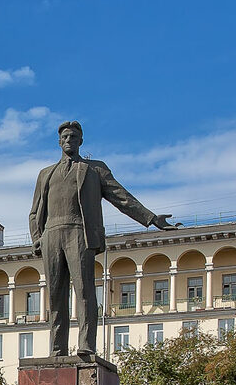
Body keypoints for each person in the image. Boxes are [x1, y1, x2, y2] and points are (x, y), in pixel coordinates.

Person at [28, 120, 175, 356]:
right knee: (55, 297)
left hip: (79, 232)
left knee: (84, 291)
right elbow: (35, 211)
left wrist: (151, 218)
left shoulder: (95, 169)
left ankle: (86, 345)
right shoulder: (46, 174)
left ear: (81, 141)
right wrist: (37, 239)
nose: (69, 141)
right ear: (58, 142)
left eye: (73, 137)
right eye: (65, 137)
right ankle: (57, 350)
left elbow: (121, 197)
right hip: (51, 236)